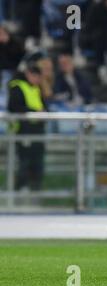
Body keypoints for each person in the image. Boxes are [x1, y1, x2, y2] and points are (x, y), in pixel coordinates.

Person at [7, 62, 47, 190]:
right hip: (23, 130)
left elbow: (43, 106)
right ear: (29, 74)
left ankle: (36, 188)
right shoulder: (17, 86)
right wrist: (35, 112)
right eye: (35, 76)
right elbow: (14, 107)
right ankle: (19, 188)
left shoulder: (36, 88)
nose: (37, 79)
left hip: (37, 130)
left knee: (38, 162)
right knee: (23, 161)